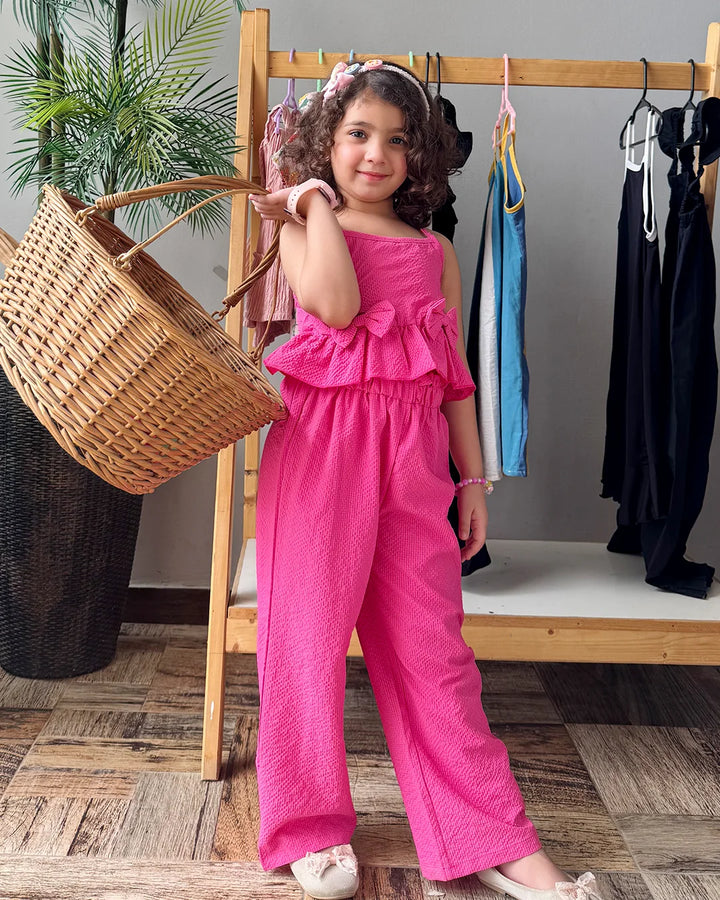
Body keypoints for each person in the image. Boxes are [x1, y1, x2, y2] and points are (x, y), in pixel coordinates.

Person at [248, 59, 603, 900]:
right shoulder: (303, 229)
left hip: (412, 468)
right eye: (358, 135)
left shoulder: (436, 250)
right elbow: (333, 306)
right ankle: (308, 826)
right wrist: (307, 201)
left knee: (436, 657)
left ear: (421, 157)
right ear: (324, 144)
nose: (377, 154)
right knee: (304, 644)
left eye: (397, 140)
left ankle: (493, 836)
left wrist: (473, 481)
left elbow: (454, 380)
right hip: (321, 455)